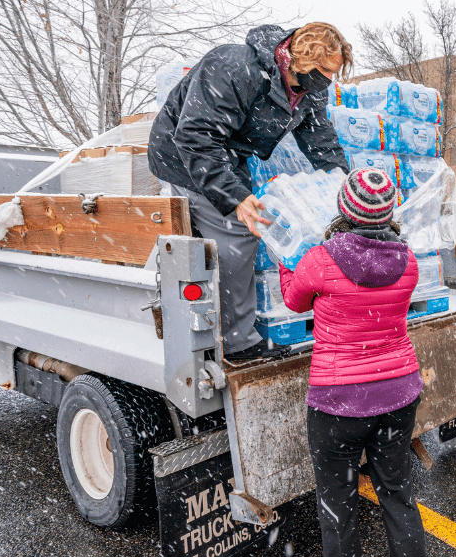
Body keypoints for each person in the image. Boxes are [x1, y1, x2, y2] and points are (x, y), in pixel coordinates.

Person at [149, 22, 352, 361]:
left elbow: (321, 141)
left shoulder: (310, 90)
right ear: (297, 58)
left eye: (334, 72)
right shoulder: (233, 67)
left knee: (244, 220)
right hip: (181, 153)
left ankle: (234, 320)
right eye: (324, 71)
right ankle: (235, 344)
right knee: (239, 233)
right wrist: (234, 198)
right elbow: (194, 137)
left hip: (228, 151)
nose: (328, 79)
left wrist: (346, 188)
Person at [278, 168, 428, 557]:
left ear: (343, 208)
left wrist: (284, 262)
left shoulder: (319, 261)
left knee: (337, 509)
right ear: (387, 213)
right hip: (399, 393)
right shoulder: (409, 261)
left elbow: (294, 301)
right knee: (398, 495)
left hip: (338, 400)